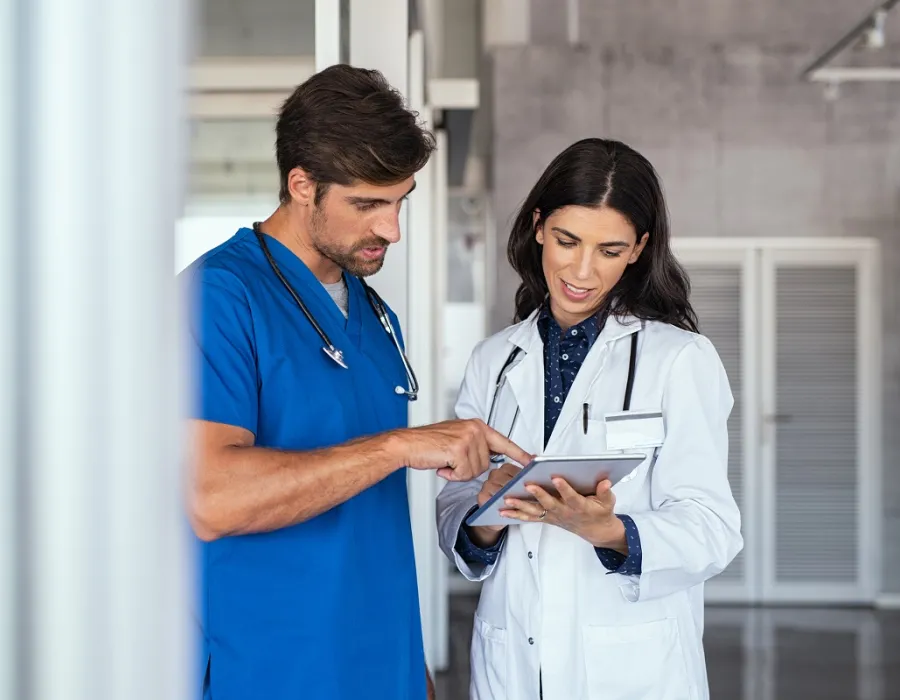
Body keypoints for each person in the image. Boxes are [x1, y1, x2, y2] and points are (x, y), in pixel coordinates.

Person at [182, 64, 530, 700]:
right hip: (271, 674)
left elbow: (372, 521)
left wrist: (412, 669)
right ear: (302, 185)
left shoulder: (374, 316)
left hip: (383, 668)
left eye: (400, 200)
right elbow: (213, 499)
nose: (391, 229)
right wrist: (398, 446)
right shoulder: (219, 297)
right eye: (367, 204)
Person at [436, 138, 743, 700]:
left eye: (609, 249)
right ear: (537, 227)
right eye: (567, 240)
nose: (581, 270)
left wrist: (608, 530)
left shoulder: (679, 359)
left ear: (638, 250)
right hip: (514, 664)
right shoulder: (494, 359)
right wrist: (488, 512)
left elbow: (713, 528)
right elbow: (454, 506)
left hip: (633, 669)